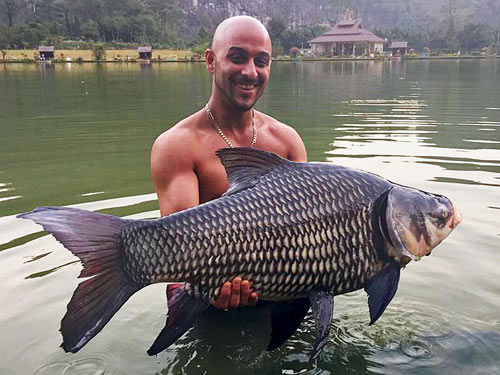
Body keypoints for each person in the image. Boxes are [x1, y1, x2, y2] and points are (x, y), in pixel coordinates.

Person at [150, 15, 307, 310]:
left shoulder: (287, 142)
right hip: (211, 309)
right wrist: (208, 293)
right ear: (210, 61)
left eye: (261, 61)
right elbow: (177, 259)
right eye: (237, 58)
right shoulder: (177, 146)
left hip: (287, 300)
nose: (250, 72)